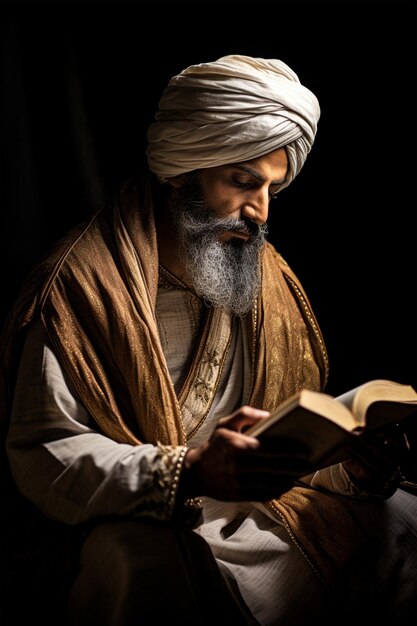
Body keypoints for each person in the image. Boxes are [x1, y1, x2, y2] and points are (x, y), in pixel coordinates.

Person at [0, 54, 416, 626]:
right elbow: (46, 456)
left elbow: (280, 446)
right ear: (181, 172)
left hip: (261, 513)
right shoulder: (80, 287)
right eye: (242, 183)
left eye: (271, 186)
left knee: (403, 521)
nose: (260, 211)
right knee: (139, 569)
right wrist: (190, 470)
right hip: (145, 514)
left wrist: (349, 467)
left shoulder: (266, 275)